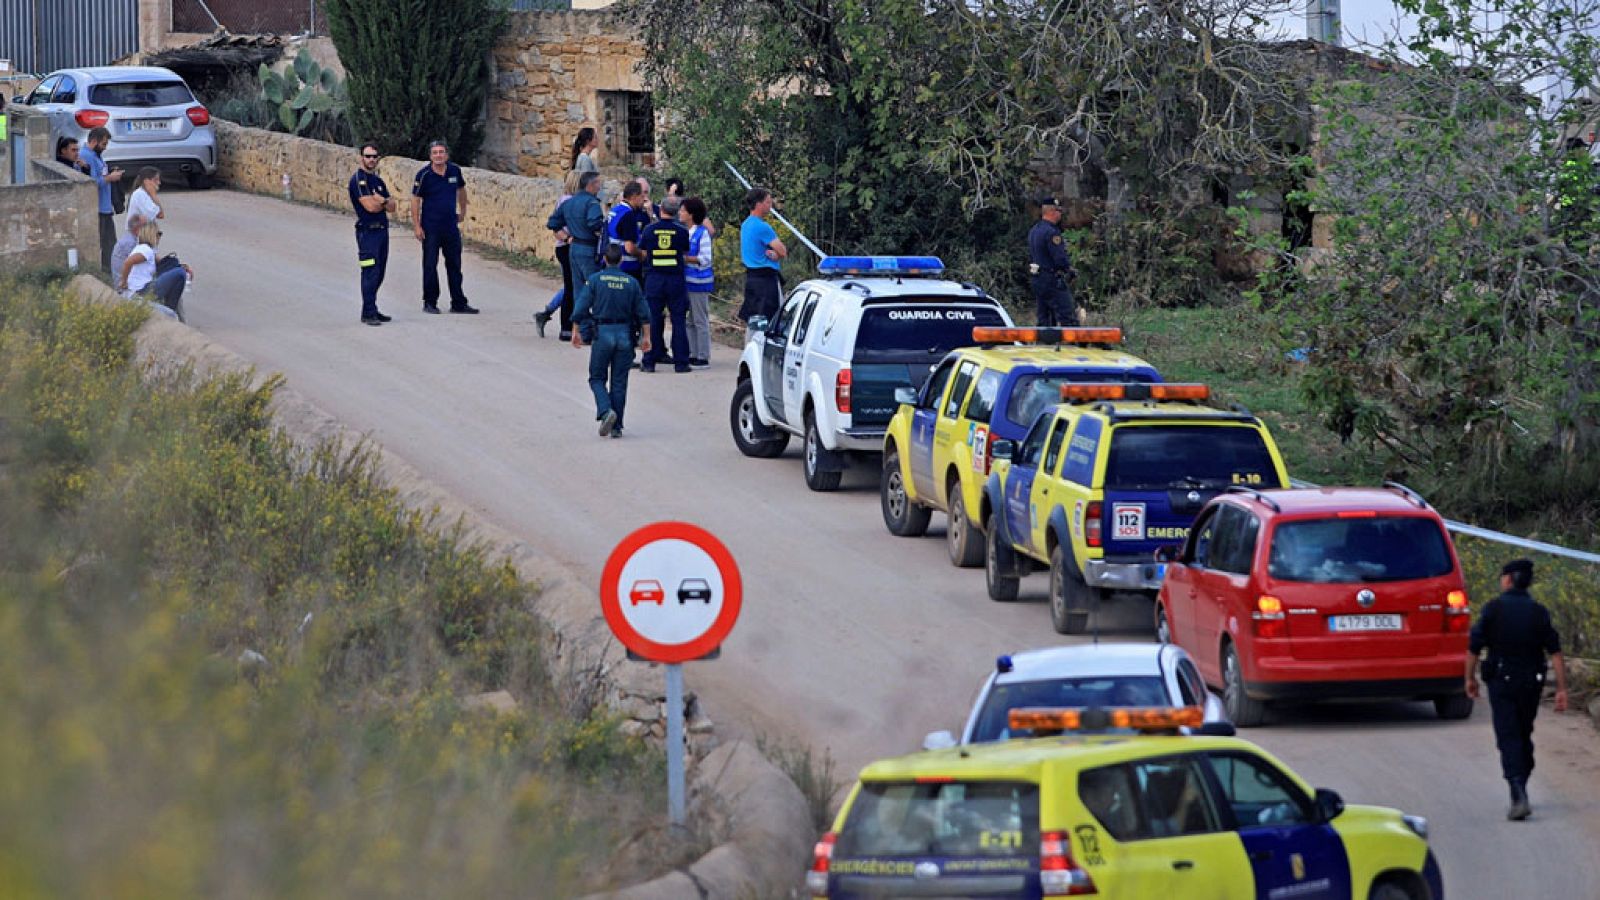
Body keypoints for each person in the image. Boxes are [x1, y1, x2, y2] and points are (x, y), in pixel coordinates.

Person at [1466, 558, 1570, 821]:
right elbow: (1556, 652)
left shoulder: (1493, 609)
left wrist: (1469, 678)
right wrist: (1561, 688)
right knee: (1523, 733)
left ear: (1508, 579)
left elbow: (1474, 647)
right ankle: (1521, 781)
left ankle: (1517, 791)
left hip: (1502, 681)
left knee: (1508, 735)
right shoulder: (1538, 612)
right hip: (1531, 683)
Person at [571, 244, 652, 438]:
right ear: (621, 260)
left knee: (597, 378)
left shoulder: (595, 280)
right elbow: (644, 313)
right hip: (625, 334)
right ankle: (617, 427)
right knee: (619, 382)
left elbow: (581, 307)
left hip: (603, 333)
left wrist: (576, 331)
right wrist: (646, 337)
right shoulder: (631, 282)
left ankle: (606, 411)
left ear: (604, 260)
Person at [411, 140, 477, 314]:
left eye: (441, 152)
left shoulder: (454, 171)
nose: (438, 155)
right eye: (435, 153)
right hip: (430, 228)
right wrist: (417, 226)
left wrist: (463, 211)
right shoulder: (423, 175)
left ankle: (458, 302)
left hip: (450, 227)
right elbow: (415, 200)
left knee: (455, 265)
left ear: (447, 155)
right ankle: (430, 302)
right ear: (430, 156)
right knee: (430, 265)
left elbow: (461, 190)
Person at [640, 196, 692, 373]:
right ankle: (681, 363)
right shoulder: (682, 231)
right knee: (678, 320)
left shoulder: (649, 230)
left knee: (652, 320)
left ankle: (649, 362)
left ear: (661, 208)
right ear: (676, 211)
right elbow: (685, 251)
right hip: (675, 279)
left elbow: (643, 251)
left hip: (654, 279)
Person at [349, 143, 396, 326]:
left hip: (381, 232)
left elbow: (392, 207)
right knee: (370, 272)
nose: (371, 159)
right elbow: (369, 207)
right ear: (361, 157)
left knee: (380, 272)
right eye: (368, 156)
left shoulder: (378, 181)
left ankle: (371, 308)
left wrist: (381, 201)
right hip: (367, 234)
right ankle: (368, 313)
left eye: (374, 156)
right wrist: (382, 202)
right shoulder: (358, 180)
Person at [548, 171, 606, 307]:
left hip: (574, 248)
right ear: (591, 185)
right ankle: (598, 318)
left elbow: (553, 223)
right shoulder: (592, 203)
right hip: (588, 248)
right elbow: (594, 223)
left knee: (578, 290)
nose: (600, 187)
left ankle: (578, 319)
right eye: (598, 183)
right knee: (595, 287)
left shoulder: (569, 202)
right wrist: (602, 228)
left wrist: (567, 237)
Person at [537, 169, 583, 340]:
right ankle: (566, 326)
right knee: (572, 287)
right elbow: (557, 227)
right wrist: (568, 238)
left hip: (565, 246)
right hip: (567, 247)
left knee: (572, 285)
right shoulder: (569, 202)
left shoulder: (564, 200)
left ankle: (548, 312)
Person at [116, 221, 191, 321]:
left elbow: (163, 263)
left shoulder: (147, 250)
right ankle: (170, 308)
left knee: (178, 273)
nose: (160, 237)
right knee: (180, 274)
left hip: (143, 289)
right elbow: (128, 262)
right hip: (141, 291)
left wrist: (183, 266)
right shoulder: (145, 249)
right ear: (151, 234)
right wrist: (123, 282)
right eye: (158, 234)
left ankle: (169, 308)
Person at [1028, 197, 1079, 327]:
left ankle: (1045, 339)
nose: (1060, 214)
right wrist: (1069, 270)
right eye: (1058, 211)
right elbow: (1059, 258)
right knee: (1068, 317)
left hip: (1037, 279)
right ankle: (1073, 339)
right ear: (1052, 212)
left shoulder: (1034, 230)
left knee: (1045, 320)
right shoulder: (1052, 232)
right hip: (1051, 279)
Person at [80, 126, 125, 272]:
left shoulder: (96, 155)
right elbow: (92, 183)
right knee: (106, 246)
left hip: (105, 207)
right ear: (94, 141)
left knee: (110, 246)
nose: (105, 147)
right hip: (98, 208)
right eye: (103, 144)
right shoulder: (87, 156)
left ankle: (109, 274)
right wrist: (110, 178)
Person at [738, 187, 786, 322]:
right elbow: (783, 251)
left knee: (754, 321)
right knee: (769, 321)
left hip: (751, 278)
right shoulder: (762, 227)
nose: (770, 206)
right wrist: (777, 254)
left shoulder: (746, 224)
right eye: (768, 202)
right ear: (759, 204)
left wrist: (774, 254)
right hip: (766, 280)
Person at [681, 196, 714, 368]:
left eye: (683, 210)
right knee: (690, 320)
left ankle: (703, 355)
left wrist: (686, 259)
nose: (680, 213)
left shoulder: (702, 233)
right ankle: (693, 353)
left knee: (700, 320)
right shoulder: (685, 232)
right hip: (687, 281)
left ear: (691, 214)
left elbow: (705, 258)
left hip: (699, 282)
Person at [607, 179, 651, 286]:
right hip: (628, 266)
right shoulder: (628, 215)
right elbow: (629, 247)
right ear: (634, 197)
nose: (644, 199)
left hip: (613, 262)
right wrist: (641, 254)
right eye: (642, 196)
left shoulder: (615, 210)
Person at [110, 213, 148, 281]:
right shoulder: (130, 243)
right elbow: (139, 265)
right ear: (137, 229)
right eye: (145, 226)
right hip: (125, 283)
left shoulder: (129, 238)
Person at [126, 167, 164, 232]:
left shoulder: (145, 194)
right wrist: (153, 195)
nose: (159, 182)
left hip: (144, 233)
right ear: (146, 181)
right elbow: (160, 214)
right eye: (156, 180)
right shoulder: (140, 194)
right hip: (138, 234)